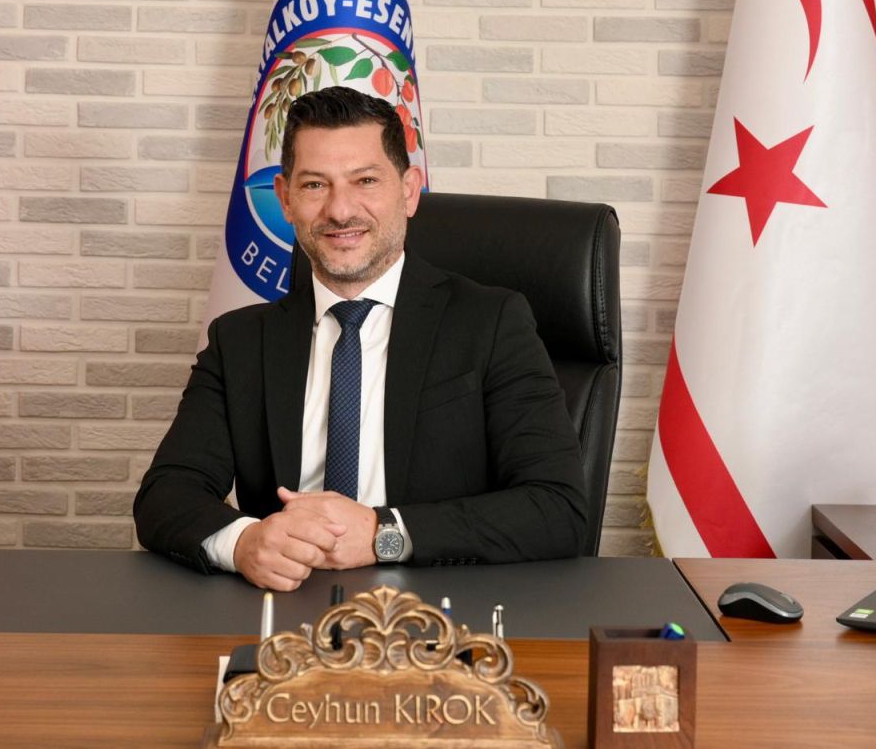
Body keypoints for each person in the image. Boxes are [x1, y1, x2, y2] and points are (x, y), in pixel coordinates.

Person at [133, 87, 587, 590]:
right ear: (285, 199)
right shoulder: (239, 340)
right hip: (284, 605)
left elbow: (557, 507)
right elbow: (166, 495)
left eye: (365, 180)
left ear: (409, 191)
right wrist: (244, 542)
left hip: (439, 611)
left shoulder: (491, 322)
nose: (340, 210)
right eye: (314, 185)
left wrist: (382, 534)